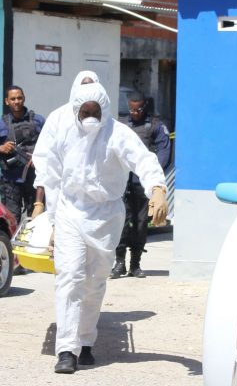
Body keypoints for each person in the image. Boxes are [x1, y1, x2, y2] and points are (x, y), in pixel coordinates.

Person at [42, 82, 168, 374]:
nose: (89, 115)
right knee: (70, 276)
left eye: (94, 110)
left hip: (106, 216)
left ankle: (85, 341)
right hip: (70, 212)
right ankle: (66, 349)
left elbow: (145, 160)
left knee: (95, 280)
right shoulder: (63, 133)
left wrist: (157, 188)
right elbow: (51, 178)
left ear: (105, 109)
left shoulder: (118, 134)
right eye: (84, 110)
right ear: (75, 109)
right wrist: (51, 220)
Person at [110, 92, 171, 279]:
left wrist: (153, 178)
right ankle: (119, 262)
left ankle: (135, 264)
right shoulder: (120, 125)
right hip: (123, 182)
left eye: (138, 109)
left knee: (141, 223)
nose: (134, 113)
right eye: (131, 109)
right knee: (121, 222)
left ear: (145, 107)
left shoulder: (155, 126)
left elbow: (163, 151)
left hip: (143, 184)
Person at [0, 85, 45, 274]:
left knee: (34, 219)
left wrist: (39, 158)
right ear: (7, 101)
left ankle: (31, 258)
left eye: (19, 98)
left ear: (24, 98)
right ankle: (14, 260)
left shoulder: (38, 121)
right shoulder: (0, 125)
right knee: (12, 218)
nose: (17, 102)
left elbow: (52, 145)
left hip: (34, 180)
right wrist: (0, 149)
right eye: (13, 99)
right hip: (10, 180)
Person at [30, 70, 100, 219]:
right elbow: (44, 160)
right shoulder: (58, 118)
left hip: (97, 203)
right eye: (84, 86)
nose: (87, 90)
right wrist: (39, 202)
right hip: (64, 200)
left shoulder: (105, 122)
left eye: (91, 86)